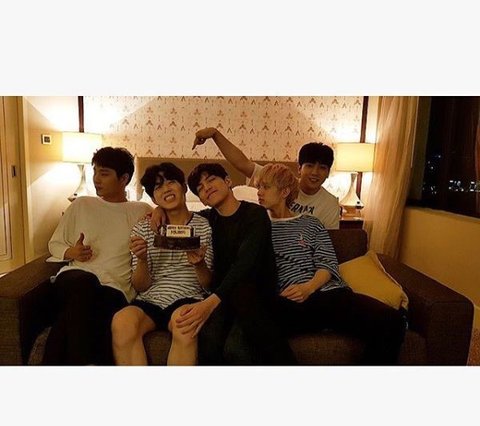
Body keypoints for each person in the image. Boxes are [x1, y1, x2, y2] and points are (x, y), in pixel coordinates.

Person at [256, 163, 406, 365]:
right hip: (290, 302)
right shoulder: (258, 227)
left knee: (394, 322)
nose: (259, 192)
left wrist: (308, 288)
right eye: (258, 187)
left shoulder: (311, 223)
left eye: (265, 187)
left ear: (284, 192)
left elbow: (327, 264)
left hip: (329, 294)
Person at [152, 162, 295, 365]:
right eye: (200, 188)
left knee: (235, 349)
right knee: (208, 342)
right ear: (201, 200)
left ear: (228, 181)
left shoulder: (255, 214)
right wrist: (159, 209)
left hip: (254, 297)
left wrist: (209, 304)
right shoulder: (206, 220)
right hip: (224, 298)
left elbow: (245, 264)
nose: (207, 188)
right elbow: (180, 216)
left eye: (211, 180)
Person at [43, 147, 152, 365]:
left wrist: (159, 212)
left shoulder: (140, 210)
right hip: (75, 278)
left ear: (124, 179)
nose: (96, 179)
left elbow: (168, 216)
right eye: (95, 172)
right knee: (86, 283)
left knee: (74, 316)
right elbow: (54, 244)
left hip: (115, 288)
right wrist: (71, 252)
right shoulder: (81, 204)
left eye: (104, 173)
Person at [110, 162, 215, 366]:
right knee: (122, 321)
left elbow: (208, 284)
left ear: (183, 187)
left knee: (184, 324)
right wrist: (142, 259)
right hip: (150, 298)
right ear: (153, 198)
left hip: (188, 296)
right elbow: (140, 286)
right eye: (158, 187)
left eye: (171, 182)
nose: (166, 189)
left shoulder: (203, 225)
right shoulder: (143, 227)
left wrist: (199, 264)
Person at [192, 127, 340, 229]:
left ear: (328, 172)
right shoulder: (278, 180)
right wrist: (215, 134)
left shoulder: (330, 204)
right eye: (310, 166)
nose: (315, 172)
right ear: (299, 168)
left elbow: (329, 242)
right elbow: (242, 163)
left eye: (322, 168)